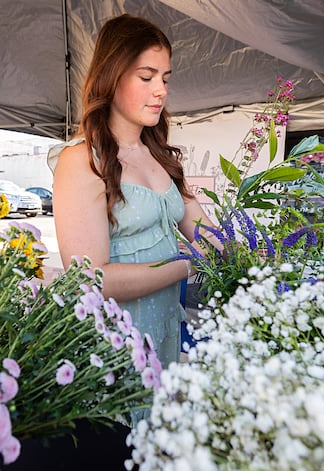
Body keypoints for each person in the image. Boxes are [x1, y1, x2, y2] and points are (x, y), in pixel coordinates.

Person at [49, 13, 219, 370]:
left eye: (165, 78)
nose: (161, 90)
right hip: (115, 343)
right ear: (111, 77)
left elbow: (208, 233)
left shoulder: (160, 155)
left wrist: (259, 255)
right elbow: (89, 278)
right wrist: (185, 264)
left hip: (163, 329)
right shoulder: (82, 160)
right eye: (147, 77)